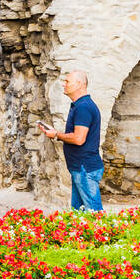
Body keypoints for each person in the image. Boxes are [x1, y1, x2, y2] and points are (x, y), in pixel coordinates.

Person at [38, 70, 104, 212]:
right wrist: (55, 133)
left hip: (84, 168)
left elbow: (79, 139)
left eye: (67, 81)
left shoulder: (84, 107)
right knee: (79, 212)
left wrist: (56, 134)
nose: (63, 84)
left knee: (94, 214)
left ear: (79, 84)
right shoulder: (80, 105)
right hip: (80, 168)